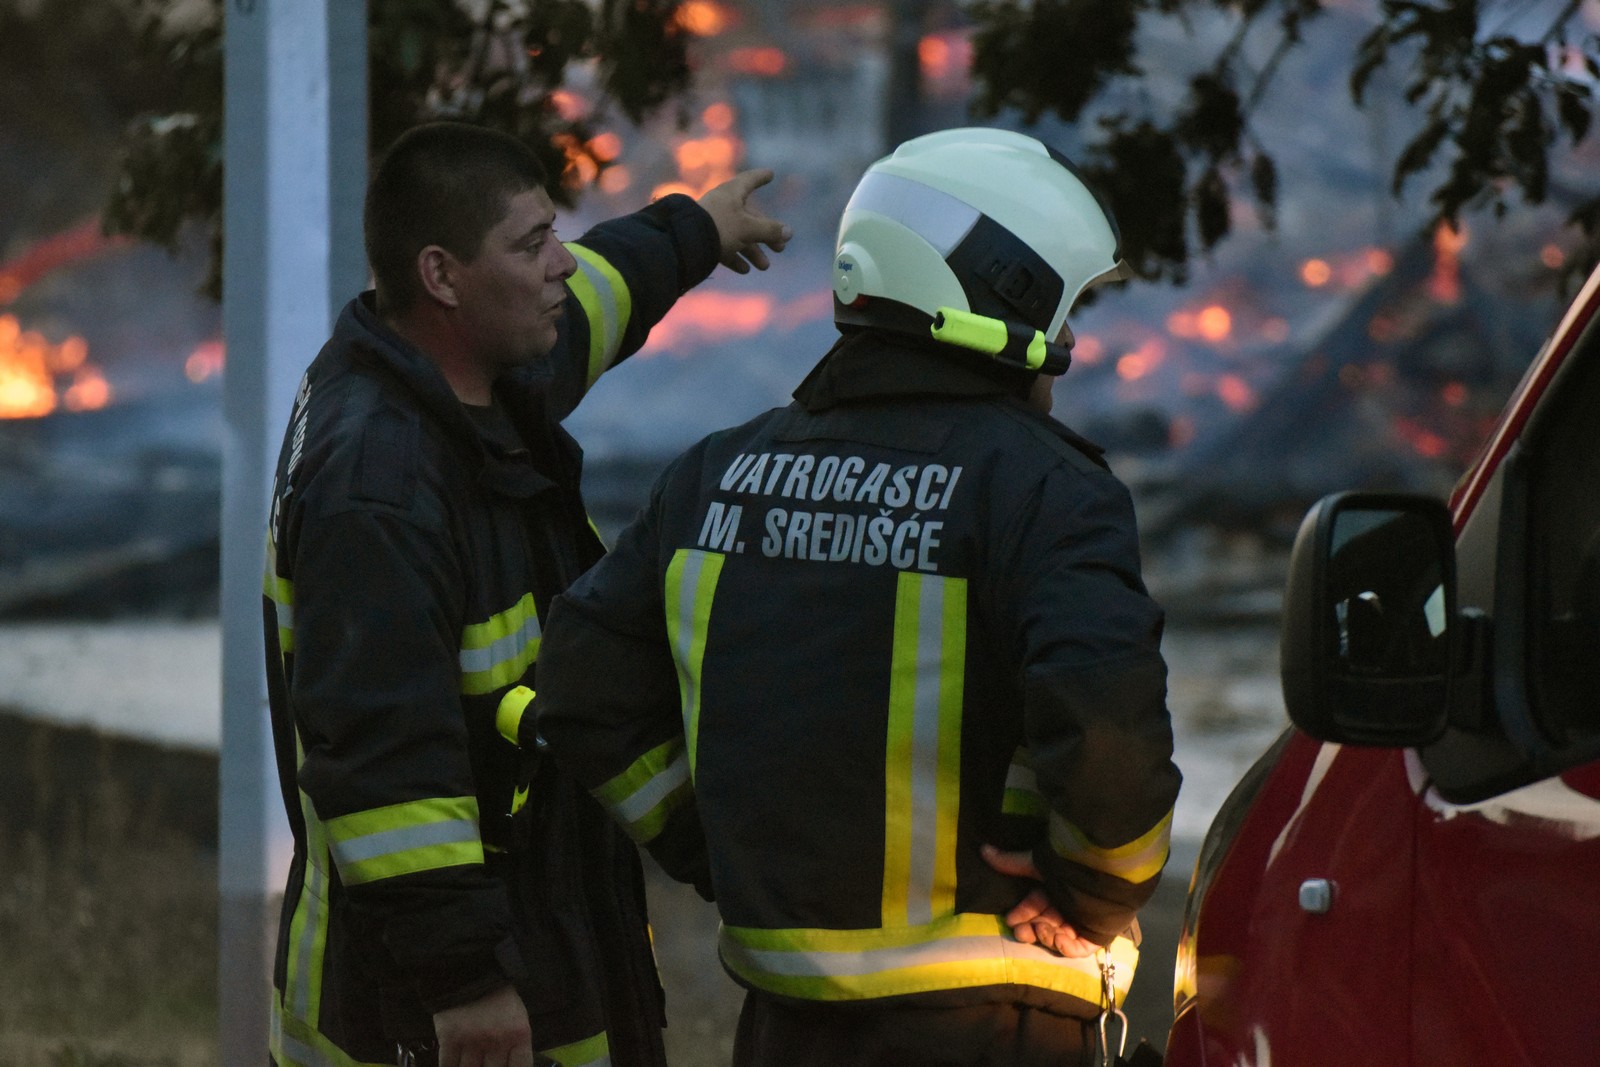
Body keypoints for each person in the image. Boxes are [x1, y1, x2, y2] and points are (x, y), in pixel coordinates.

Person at [532, 127, 1183, 1066]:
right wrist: (1090, 894)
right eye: (1060, 304)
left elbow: (582, 686)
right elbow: (1110, 724)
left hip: (784, 1028)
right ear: (994, 293)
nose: (1070, 340)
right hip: (995, 1019)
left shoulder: (717, 474)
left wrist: (710, 847)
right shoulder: (1048, 490)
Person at [260, 120, 790, 1067]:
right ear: (442, 275)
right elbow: (385, 758)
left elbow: (602, 292)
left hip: (543, 941)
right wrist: (462, 984)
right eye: (532, 243)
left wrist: (698, 230)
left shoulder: (475, 376)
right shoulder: (376, 488)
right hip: (422, 1008)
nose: (561, 264)